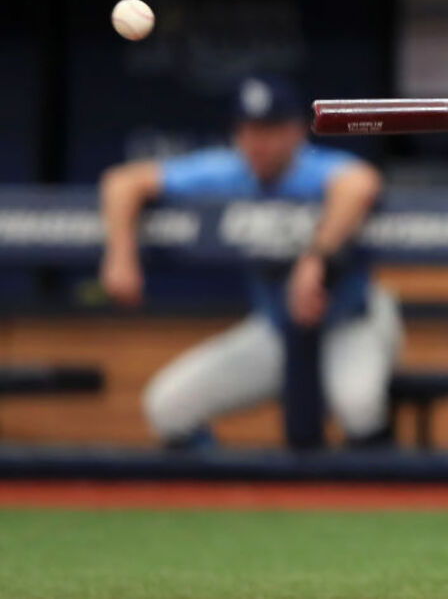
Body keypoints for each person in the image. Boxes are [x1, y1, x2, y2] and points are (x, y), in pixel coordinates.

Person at [99, 75, 402, 448]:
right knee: (168, 407)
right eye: (249, 130)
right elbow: (122, 182)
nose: (257, 142)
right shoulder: (229, 171)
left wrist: (315, 260)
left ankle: (368, 502)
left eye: (270, 130)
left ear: (294, 131)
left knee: (359, 407)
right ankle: (230, 503)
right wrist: (121, 256)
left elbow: (361, 183)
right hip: (275, 328)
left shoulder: (314, 168)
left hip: (350, 321)